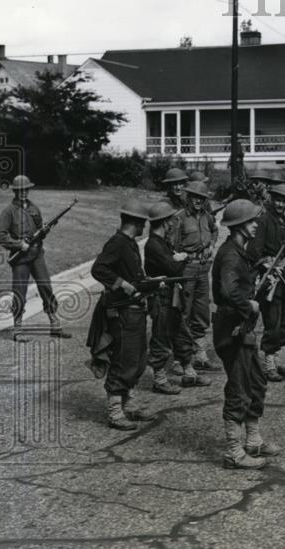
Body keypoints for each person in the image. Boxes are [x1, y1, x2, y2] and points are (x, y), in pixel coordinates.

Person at [212, 199, 281, 469]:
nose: (256, 225)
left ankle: (252, 440)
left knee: (255, 383)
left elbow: (241, 278)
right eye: (251, 221)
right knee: (239, 388)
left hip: (244, 327)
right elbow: (228, 290)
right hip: (232, 328)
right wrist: (248, 303)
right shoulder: (230, 253)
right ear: (239, 225)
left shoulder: (240, 250)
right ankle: (233, 451)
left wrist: (261, 272)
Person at [88, 201, 155, 431]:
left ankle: (129, 405)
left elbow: (135, 275)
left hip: (135, 310)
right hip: (122, 312)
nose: (145, 226)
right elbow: (98, 269)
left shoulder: (130, 243)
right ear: (135, 223)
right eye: (143, 222)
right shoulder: (117, 243)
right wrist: (122, 284)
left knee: (137, 360)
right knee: (123, 360)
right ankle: (115, 412)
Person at [144, 203, 209, 394]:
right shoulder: (154, 245)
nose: (173, 224)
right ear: (164, 222)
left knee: (181, 333)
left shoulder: (161, 242)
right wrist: (181, 260)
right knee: (161, 337)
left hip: (171, 296)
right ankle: (159, 379)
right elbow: (174, 269)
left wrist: (178, 259)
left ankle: (189, 373)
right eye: (170, 220)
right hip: (160, 298)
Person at [0, 174, 62, 335]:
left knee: (45, 286)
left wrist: (45, 230)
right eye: (20, 190)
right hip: (20, 259)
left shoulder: (34, 208)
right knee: (19, 292)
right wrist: (18, 244)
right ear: (15, 191)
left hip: (37, 254)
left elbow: (39, 231)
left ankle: (54, 322)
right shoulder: (8, 212)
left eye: (26, 189)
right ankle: (17, 328)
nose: (23, 192)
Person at [248, 183, 285, 383]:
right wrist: (267, 263)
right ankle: (269, 364)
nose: (280, 204)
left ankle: (275, 359)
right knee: (273, 322)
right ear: (271, 199)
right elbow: (253, 252)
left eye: (284, 201)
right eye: (277, 199)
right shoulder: (263, 221)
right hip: (270, 279)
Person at [176, 180, 220, 371]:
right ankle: (180, 358)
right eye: (195, 197)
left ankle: (200, 354)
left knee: (201, 312)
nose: (198, 201)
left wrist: (211, 246)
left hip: (203, 269)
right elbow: (172, 245)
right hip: (186, 269)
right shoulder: (179, 218)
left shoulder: (207, 217)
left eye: (201, 198)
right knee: (183, 312)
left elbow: (215, 230)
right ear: (188, 197)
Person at [161, 167, 189, 248]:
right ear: (169, 186)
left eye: (180, 184)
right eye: (175, 184)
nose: (178, 187)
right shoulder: (164, 204)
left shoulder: (185, 202)